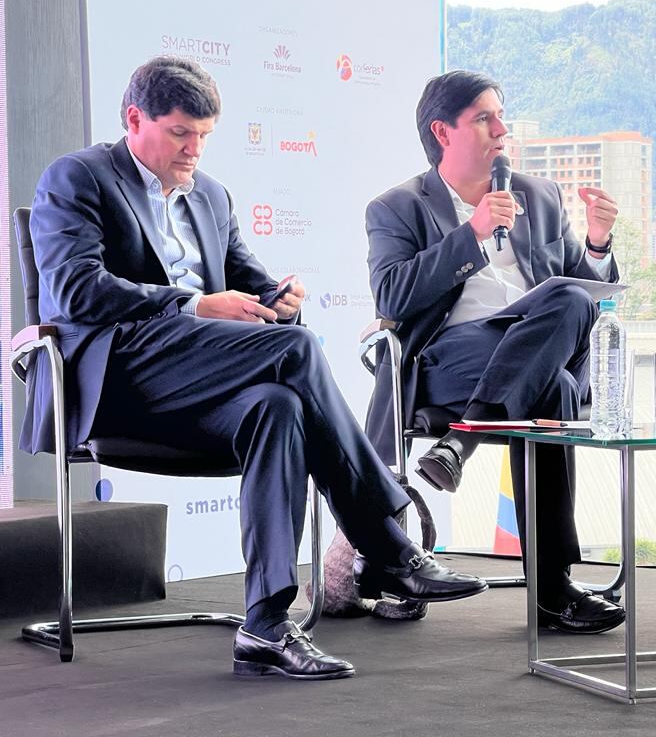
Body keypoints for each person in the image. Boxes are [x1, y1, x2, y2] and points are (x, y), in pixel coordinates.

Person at [24, 56, 488, 680]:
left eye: (205, 136)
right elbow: (74, 291)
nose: (195, 149)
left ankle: (266, 627)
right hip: (119, 376)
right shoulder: (77, 179)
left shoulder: (210, 195)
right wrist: (193, 303)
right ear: (135, 119)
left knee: (280, 407)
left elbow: (247, 280)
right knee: (296, 354)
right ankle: (388, 544)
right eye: (181, 133)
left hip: (201, 375)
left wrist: (278, 298)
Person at [364, 70, 625, 634]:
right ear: (443, 131)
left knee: (559, 352)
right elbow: (391, 295)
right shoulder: (397, 208)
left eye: (500, 116)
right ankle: (554, 593)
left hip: (525, 362)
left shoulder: (539, 195)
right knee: (549, 373)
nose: (502, 129)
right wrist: (473, 234)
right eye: (484, 118)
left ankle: (465, 438)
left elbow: (582, 294)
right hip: (446, 359)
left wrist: (599, 244)